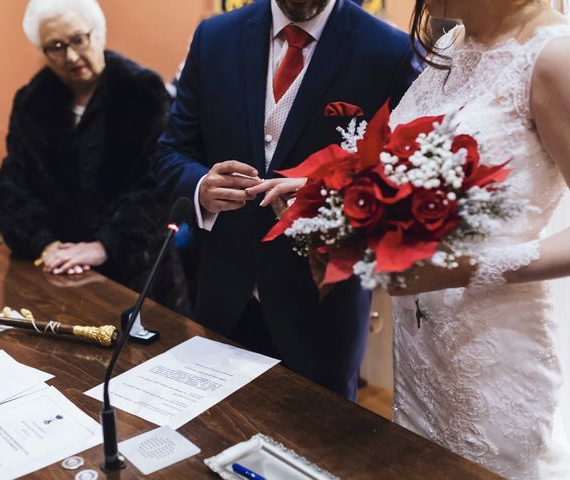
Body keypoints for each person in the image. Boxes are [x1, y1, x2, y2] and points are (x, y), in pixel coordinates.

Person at [155, 0, 418, 400]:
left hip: (322, 318)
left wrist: (332, 194)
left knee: (321, 451)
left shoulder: (389, 50)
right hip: (225, 300)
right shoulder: (215, 37)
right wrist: (201, 186)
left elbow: (406, 179)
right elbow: (169, 152)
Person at [382, 0, 570, 477]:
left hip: (495, 354)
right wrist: (326, 191)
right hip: (423, 344)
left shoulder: (552, 58)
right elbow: (415, 167)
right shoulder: (453, 43)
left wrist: (463, 268)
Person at [0, 0, 189, 314]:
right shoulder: (31, 101)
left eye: (78, 40)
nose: (70, 57)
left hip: (137, 272)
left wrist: (104, 244)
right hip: (61, 271)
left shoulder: (142, 92)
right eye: (55, 47)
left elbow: (158, 185)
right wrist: (46, 243)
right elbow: (11, 182)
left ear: (100, 33)